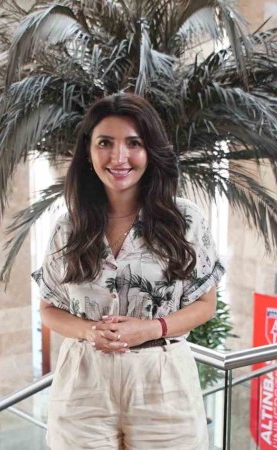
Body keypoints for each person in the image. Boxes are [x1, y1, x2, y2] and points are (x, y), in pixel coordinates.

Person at [32, 93, 225, 450]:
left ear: (150, 151)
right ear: (88, 152)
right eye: (105, 143)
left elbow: (205, 303)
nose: (118, 157)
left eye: (133, 143)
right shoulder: (69, 227)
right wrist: (89, 330)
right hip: (84, 381)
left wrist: (151, 328)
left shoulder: (184, 221)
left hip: (162, 380)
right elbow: (48, 309)